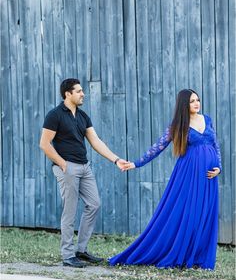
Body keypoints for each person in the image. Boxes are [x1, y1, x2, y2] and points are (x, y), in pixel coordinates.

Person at [109, 89, 222, 270]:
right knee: (187, 214)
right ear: (184, 104)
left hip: (209, 176)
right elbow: (157, 148)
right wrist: (136, 164)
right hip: (189, 175)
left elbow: (215, 145)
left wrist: (219, 167)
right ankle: (180, 253)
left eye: (198, 100)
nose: (196, 103)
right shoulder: (177, 125)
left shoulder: (206, 119)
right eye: (192, 101)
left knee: (205, 214)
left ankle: (199, 256)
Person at [40, 78, 127, 268]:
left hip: (84, 166)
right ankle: (67, 255)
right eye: (78, 91)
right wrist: (63, 164)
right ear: (67, 94)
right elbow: (44, 144)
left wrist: (116, 159)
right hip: (67, 167)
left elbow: (95, 141)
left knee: (94, 204)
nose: (83, 94)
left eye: (82, 91)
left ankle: (81, 250)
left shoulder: (82, 116)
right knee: (69, 211)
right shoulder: (55, 115)